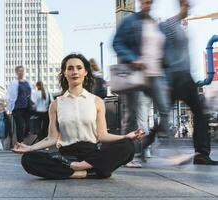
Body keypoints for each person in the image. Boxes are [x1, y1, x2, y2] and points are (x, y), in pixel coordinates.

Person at [12, 53, 144, 179]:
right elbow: (52, 138)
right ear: (65, 73)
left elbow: (103, 135)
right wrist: (29, 148)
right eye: (70, 68)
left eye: (79, 68)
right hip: (66, 156)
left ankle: (78, 167)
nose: (75, 71)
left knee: (127, 146)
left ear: (85, 72)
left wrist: (126, 136)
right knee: (28, 159)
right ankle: (88, 173)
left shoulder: (97, 101)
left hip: (91, 154)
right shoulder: (55, 104)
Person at [158, 0, 218, 165]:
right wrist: (166, 79)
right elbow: (161, 51)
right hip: (175, 76)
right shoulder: (169, 25)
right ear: (181, 4)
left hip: (185, 76)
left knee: (200, 114)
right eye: (187, 4)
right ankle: (141, 145)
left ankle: (201, 154)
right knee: (165, 116)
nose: (190, 7)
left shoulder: (180, 25)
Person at [112, 0, 170, 139]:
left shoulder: (155, 24)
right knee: (131, 114)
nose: (147, 5)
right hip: (136, 73)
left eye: (149, 2)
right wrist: (132, 59)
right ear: (139, 2)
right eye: (144, 2)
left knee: (165, 110)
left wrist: (166, 79)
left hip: (155, 75)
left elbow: (162, 54)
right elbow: (116, 42)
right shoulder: (129, 21)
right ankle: (127, 152)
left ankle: (145, 146)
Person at [6, 66, 31, 143]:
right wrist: (9, 108)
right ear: (16, 72)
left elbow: (30, 94)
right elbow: (10, 95)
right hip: (17, 107)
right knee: (20, 126)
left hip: (27, 107)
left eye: (22, 71)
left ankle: (24, 136)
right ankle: (20, 143)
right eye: (19, 71)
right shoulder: (14, 83)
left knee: (28, 125)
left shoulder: (27, 82)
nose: (21, 72)